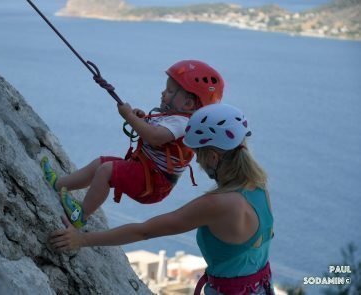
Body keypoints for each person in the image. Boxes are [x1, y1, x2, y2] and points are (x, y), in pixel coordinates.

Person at [49, 104, 275, 295]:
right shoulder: (259, 188)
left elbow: (144, 231)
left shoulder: (219, 204)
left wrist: (80, 240)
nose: (197, 162)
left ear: (214, 157)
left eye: (199, 155)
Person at [41, 60, 224, 228]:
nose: (163, 93)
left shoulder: (183, 123)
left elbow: (155, 137)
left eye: (169, 91)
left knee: (107, 171)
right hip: (147, 172)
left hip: (154, 181)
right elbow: (155, 132)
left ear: (188, 103)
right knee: (101, 163)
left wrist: (129, 117)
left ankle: (80, 216)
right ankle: (59, 185)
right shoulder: (174, 118)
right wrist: (142, 120)